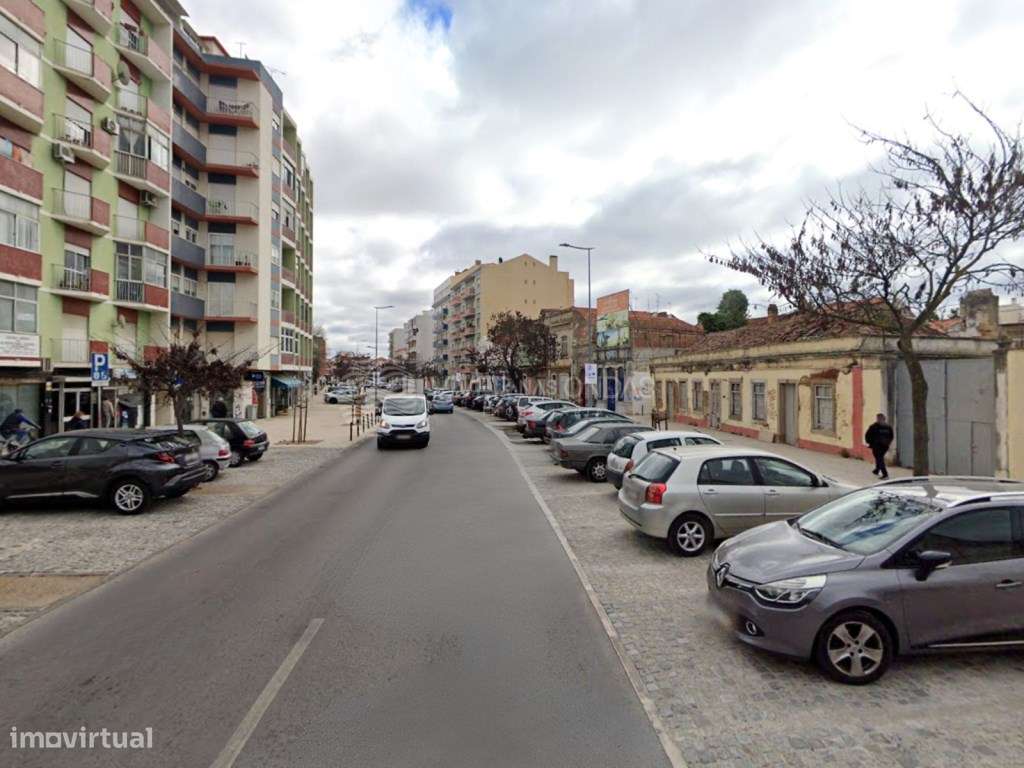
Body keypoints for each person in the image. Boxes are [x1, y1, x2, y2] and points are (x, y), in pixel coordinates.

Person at [865, 413, 895, 480]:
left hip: (878, 445)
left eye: (879, 418)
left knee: (879, 458)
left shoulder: (875, 426)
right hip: (883, 446)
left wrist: (870, 442)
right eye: (878, 418)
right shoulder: (888, 427)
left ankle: (885, 474)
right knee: (879, 457)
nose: (878, 420)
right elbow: (891, 436)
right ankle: (877, 470)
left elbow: (868, 435)